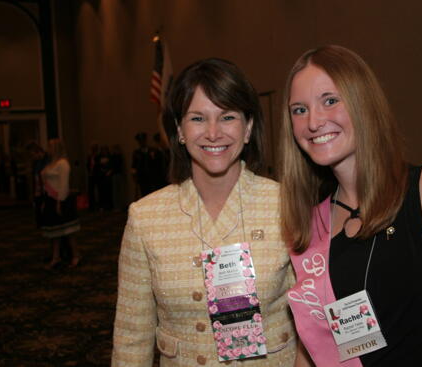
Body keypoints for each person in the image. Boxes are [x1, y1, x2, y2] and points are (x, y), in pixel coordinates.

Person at [279, 45, 422, 366]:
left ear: (362, 103)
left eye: (330, 101)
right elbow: (312, 345)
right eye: (299, 110)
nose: (314, 121)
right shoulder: (312, 221)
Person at [112, 58, 297, 366]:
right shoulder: (146, 218)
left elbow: (314, 315)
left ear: (248, 128)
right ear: (179, 131)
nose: (213, 133)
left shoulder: (286, 205)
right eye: (198, 118)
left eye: (227, 117)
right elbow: (133, 335)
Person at [41, 138, 81, 269]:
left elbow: (64, 184)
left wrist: (59, 201)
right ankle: (56, 257)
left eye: (51, 147)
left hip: (60, 199)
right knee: (55, 232)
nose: (48, 149)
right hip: (50, 198)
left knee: (68, 231)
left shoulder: (63, 163)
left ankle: (76, 255)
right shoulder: (51, 163)